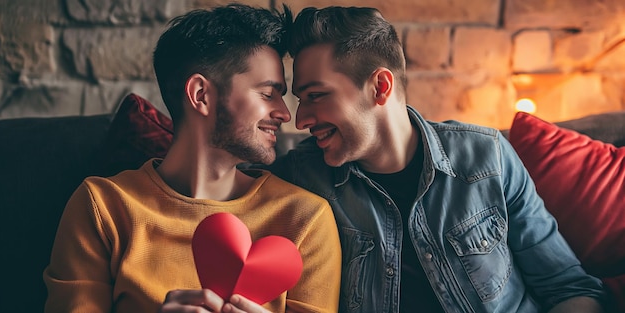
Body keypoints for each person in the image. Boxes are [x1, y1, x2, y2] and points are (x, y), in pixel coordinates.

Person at [262, 6, 606, 313]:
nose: (300, 119)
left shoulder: (488, 157)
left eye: (316, 96)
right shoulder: (301, 177)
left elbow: (570, 289)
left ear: (380, 87)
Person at [42, 4, 341, 313]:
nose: (284, 113)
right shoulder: (102, 207)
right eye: (267, 94)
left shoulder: (305, 220)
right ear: (201, 94)